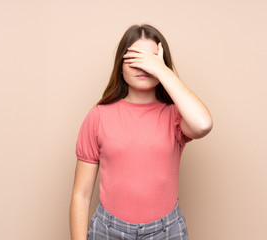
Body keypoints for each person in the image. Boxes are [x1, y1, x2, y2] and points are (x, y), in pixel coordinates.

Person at [70, 24, 213, 240]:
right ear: (120, 65)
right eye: (135, 59)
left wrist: (163, 70)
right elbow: (81, 195)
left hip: (167, 232)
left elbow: (203, 124)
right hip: (108, 231)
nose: (143, 67)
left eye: (151, 60)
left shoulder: (175, 116)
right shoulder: (98, 116)